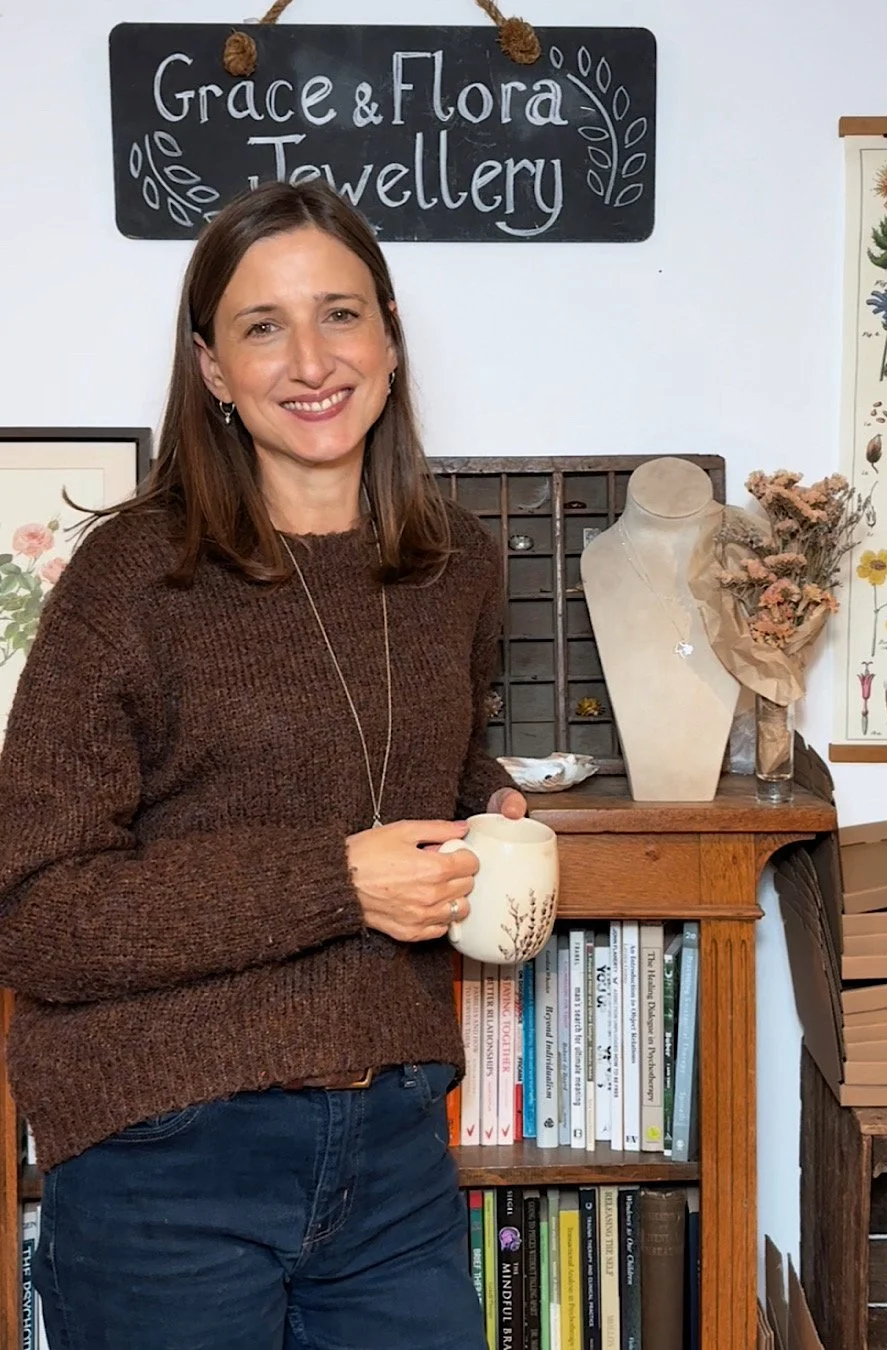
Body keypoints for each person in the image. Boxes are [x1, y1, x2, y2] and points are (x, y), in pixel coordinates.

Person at [0, 179, 526, 1350]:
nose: (310, 358)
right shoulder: (134, 581)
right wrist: (336, 882)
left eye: (340, 313)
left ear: (389, 337)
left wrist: (480, 808)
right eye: (261, 325)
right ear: (212, 370)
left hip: (391, 1147)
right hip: (163, 1159)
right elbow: (34, 913)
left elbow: (405, 751)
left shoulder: (459, 569)